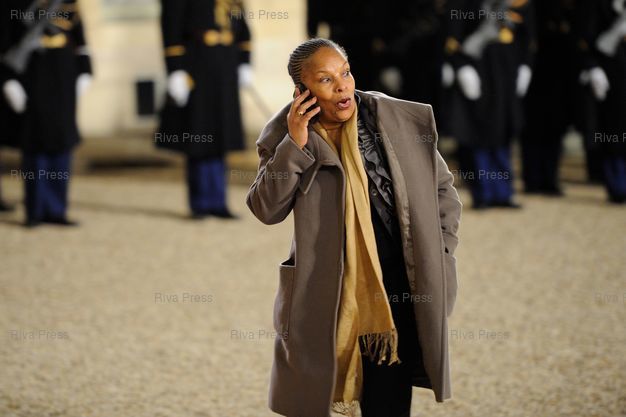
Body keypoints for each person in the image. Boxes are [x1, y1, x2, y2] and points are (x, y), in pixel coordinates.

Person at [246, 38, 462, 417]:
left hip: (400, 278)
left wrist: (441, 250)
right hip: (335, 287)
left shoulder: (392, 117)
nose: (342, 87)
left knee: (389, 397)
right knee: (316, 393)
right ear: (301, 91)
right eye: (326, 80)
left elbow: (442, 188)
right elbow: (266, 208)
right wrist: (295, 143)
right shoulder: (284, 133)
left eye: (345, 73)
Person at [156, 0, 252, 219]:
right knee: (199, 135)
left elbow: (243, 28)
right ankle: (200, 202)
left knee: (220, 137)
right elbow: (170, 27)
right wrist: (175, 69)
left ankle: (218, 201)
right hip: (197, 67)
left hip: (225, 68)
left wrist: (245, 61)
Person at [1, 0, 93, 227]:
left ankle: (56, 209)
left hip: (63, 79)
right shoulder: (12, 4)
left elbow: (81, 42)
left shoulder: (67, 2)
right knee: (36, 145)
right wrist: (8, 81)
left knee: (62, 143)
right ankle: (35, 209)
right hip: (32, 79)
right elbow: (4, 46)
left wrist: (85, 71)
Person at [443, 0, 536, 209]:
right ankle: (482, 192)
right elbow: (453, 36)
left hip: (507, 72)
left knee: (504, 130)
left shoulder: (518, 2)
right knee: (479, 132)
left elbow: (527, 37)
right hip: (478, 69)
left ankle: (503, 192)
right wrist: (461, 66)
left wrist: (526, 65)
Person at [521, 0, 591, 196]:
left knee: (555, 131)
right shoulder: (537, 8)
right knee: (534, 131)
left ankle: (550, 178)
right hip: (536, 79)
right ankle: (533, 179)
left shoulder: (570, 10)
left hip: (562, 81)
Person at [579, 0, 626, 203]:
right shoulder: (599, 4)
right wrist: (592, 67)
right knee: (614, 131)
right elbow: (586, 38)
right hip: (613, 74)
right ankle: (618, 184)